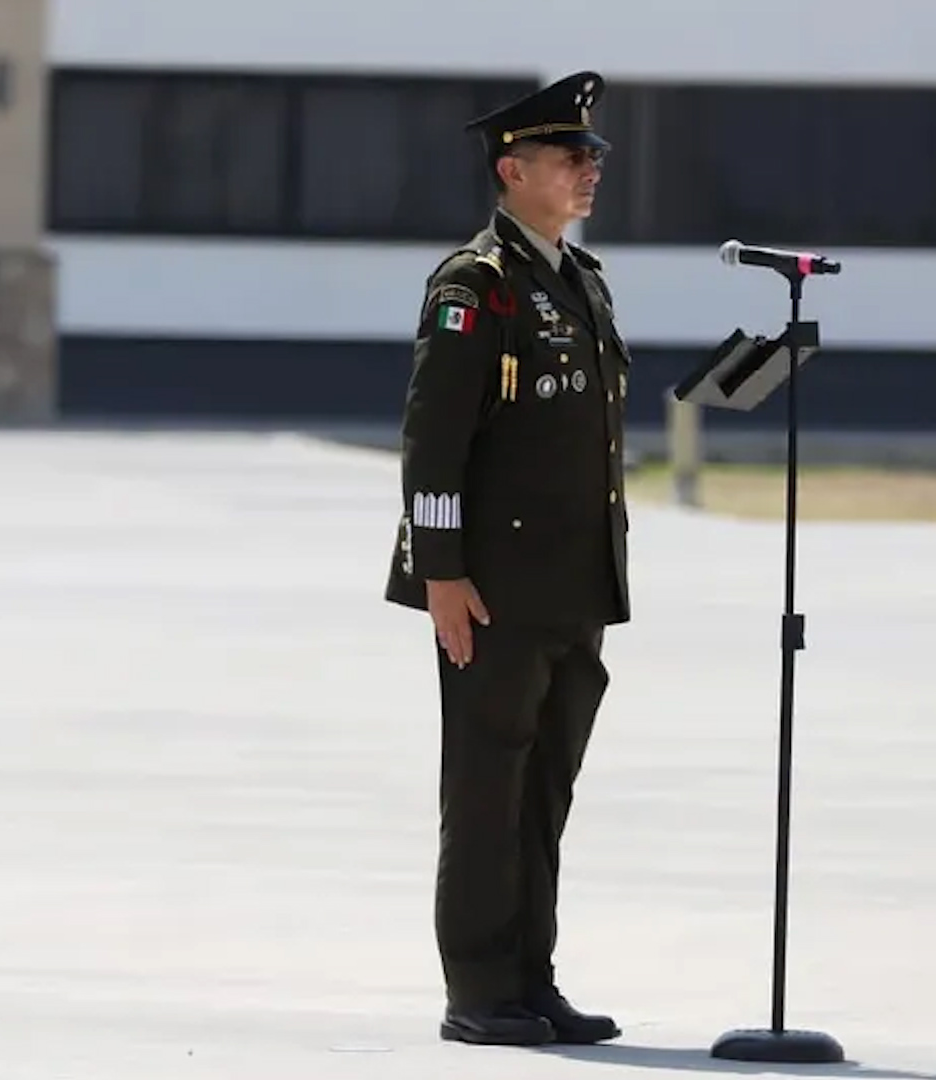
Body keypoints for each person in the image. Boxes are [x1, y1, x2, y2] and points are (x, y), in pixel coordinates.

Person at [382, 70, 630, 1049]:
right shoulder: (473, 286)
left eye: (590, 158)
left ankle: (534, 978)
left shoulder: (581, 280)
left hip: (573, 587)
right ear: (510, 169)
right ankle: (479, 988)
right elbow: (433, 440)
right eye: (570, 158)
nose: (587, 171)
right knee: (487, 791)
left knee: (543, 796)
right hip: (489, 592)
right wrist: (440, 573)